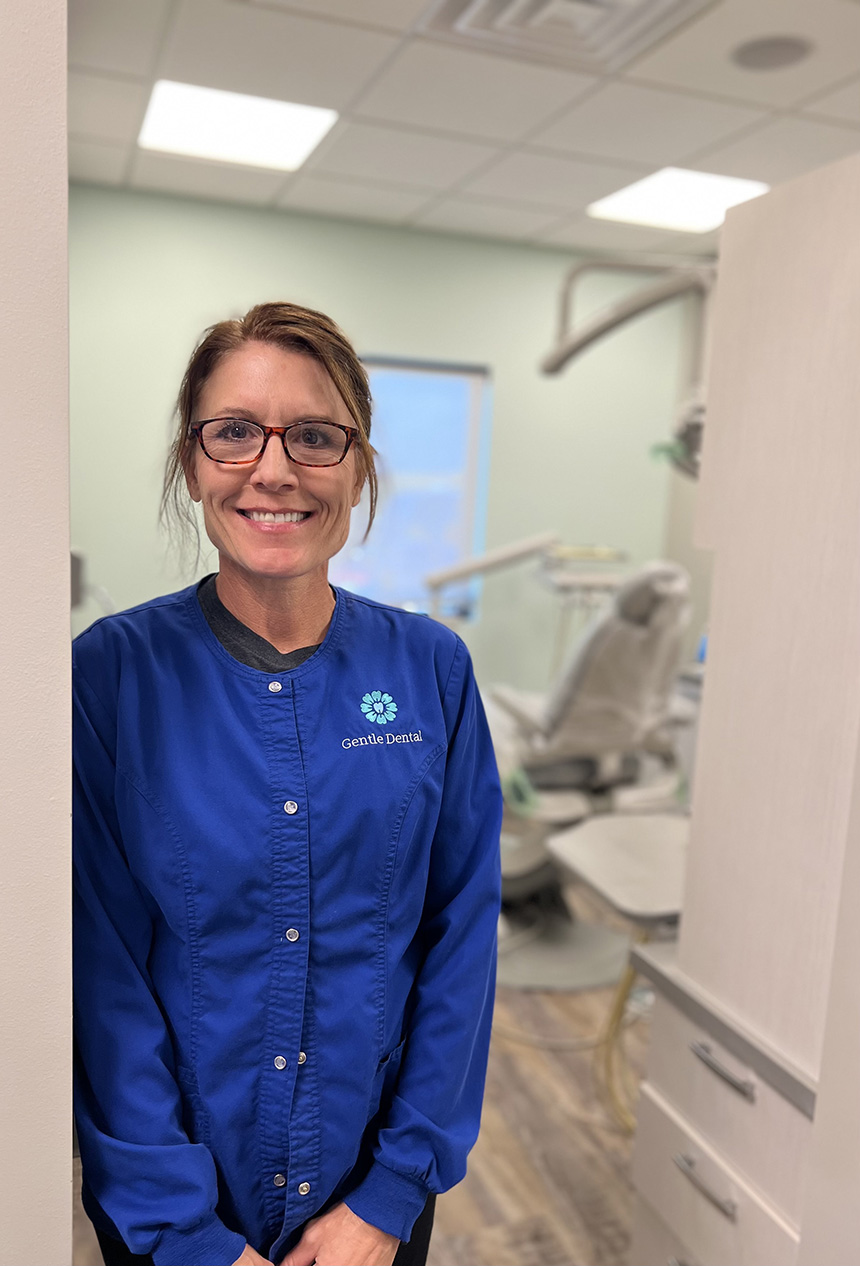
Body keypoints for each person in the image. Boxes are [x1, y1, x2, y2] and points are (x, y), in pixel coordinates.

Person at [73, 302, 503, 1266]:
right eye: (234, 433)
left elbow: (460, 941)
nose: (275, 469)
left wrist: (390, 1198)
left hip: (367, 1207)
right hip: (174, 1206)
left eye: (315, 435)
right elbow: (99, 969)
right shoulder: (106, 677)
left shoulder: (432, 672)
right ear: (192, 464)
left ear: (356, 467)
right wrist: (184, 1231)